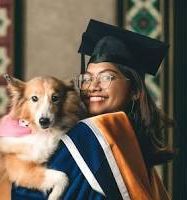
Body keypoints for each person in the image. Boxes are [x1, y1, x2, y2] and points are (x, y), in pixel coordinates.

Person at [11, 19, 174, 200]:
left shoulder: (125, 145)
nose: (93, 86)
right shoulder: (83, 137)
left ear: (135, 90)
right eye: (87, 78)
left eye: (107, 77)